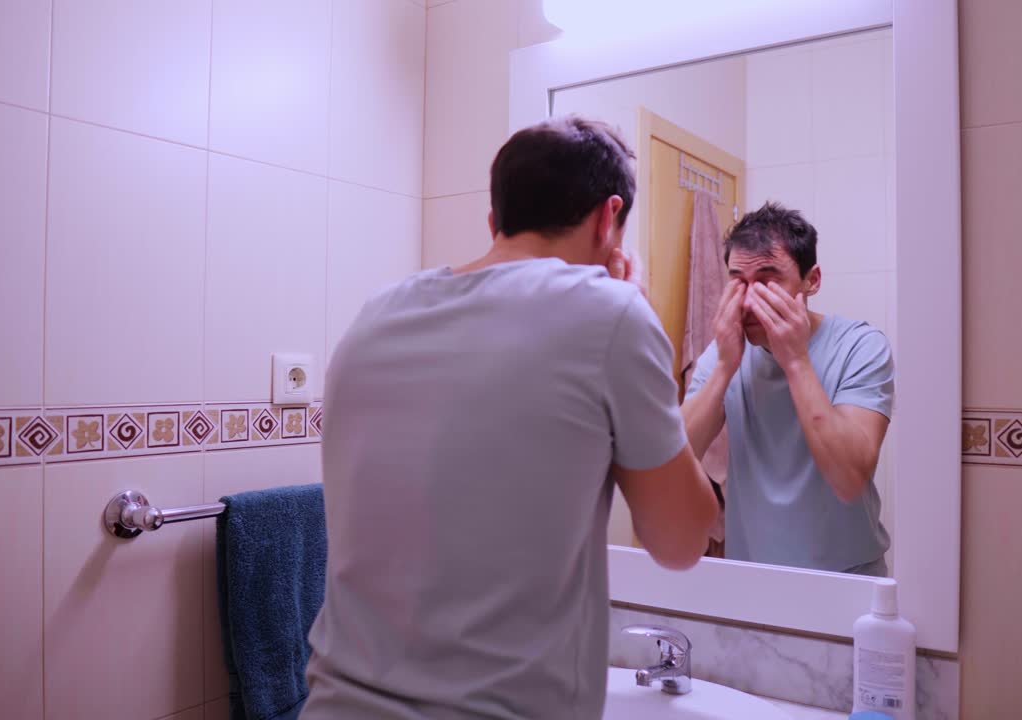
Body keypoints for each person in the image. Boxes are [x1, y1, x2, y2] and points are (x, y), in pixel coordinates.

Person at [301, 116, 718, 720]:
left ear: (494, 221)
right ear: (609, 218)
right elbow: (681, 542)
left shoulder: (374, 315)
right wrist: (634, 312)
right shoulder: (611, 313)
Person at [682, 202, 895, 576]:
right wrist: (723, 369)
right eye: (738, 281)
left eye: (767, 280)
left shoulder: (861, 346)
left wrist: (796, 360)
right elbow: (674, 461)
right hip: (751, 573)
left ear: (811, 280)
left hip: (846, 574)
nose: (748, 301)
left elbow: (848, 479)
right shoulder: (723, 353)